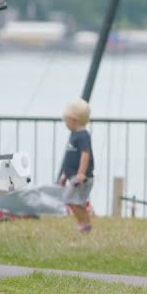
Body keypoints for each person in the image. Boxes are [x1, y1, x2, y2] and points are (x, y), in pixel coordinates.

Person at [59, 99, 95, 233]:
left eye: (66, 120)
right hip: (73, 175)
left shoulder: (83, 136)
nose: (65, 123)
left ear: (74, 120)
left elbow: (85, 155)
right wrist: (65, 174)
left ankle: (84, 223)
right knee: (73, 201)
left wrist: (81, 173)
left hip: (82, 177)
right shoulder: (74, 135)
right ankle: (84, 223)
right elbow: (71, 157)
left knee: (72, 200)